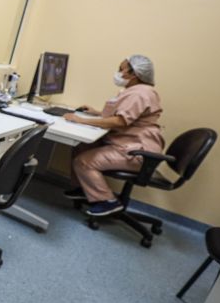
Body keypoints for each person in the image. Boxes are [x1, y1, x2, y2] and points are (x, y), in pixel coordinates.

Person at [62, 55, 163, 216]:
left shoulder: (139, 93)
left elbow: (120, 121)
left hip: (138, 152)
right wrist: (96, 113)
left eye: (121, 69)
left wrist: (81, 120)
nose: (118, 73)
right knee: (82, 146)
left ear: (134, 74)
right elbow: (127, 115)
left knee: (83, 162)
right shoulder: (136, 91)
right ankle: (84, 189)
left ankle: (108, 201)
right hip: (129, 144)